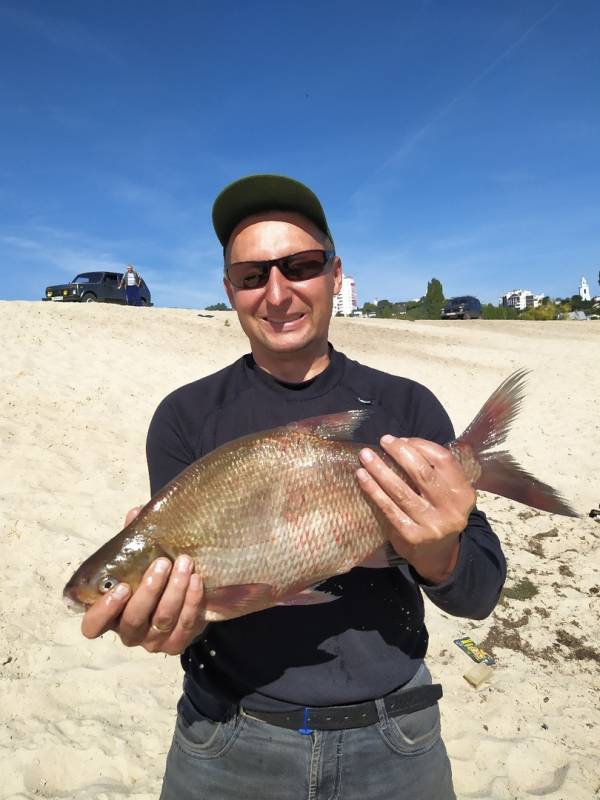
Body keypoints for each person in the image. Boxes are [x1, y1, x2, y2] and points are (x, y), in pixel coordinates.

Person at [81, 174, 507, 800]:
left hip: (397, 740)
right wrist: (167, 625)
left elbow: (478, 594)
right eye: (253, 276)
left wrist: (434, 549)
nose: (277, 294)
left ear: (336, 274)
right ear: (230, 291)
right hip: (225, 738)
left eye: (301, 266)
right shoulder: (185, 417)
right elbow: (199, 612)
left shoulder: (407, 405)